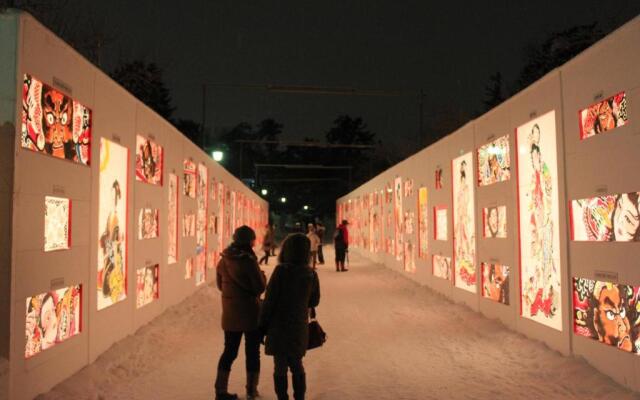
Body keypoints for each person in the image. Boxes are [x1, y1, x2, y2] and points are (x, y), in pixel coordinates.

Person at [259, 233, 321, 400]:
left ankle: (283, 398)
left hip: (278, 326)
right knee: (297, 364)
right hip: (298, 325)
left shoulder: (281, 271)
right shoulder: (310, 274)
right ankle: (299, 397)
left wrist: (262, 327)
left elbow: (270, 301)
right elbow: (314, 300)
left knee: (280, 366)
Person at [215, 226, 267, 400]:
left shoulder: (224, 259)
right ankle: (251, 390)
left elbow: (220, 285)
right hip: (250, 313)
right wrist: (262, 275)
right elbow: (259, 287)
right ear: (249, 241)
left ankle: (220, 390)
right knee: (252, 352)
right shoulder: (249, 260)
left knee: (229, 351)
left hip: (230, 313)